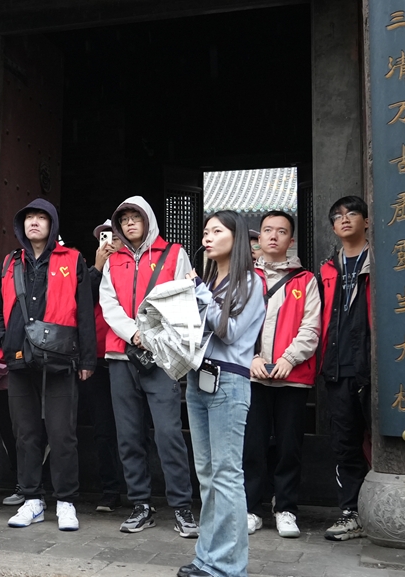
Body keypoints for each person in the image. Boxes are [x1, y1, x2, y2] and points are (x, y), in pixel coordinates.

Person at [0, 198, 96, 531]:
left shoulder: (72, 259)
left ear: (52, 224)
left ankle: (66, 501)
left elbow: (85, 311)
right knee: (26, 433)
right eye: (29, 217)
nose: (34, 222)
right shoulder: (9, 262)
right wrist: (4, 338)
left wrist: (87, 358)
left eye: (41, 218)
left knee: (62, 434)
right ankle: (31, 499)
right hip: (19, 357)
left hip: (61, 357)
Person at [99, 196, 199, 538]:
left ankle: (182, 507)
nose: (129, 223)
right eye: (124, 218)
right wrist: (134, 333)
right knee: (128, 435)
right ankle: (140, 504)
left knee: (169, 433)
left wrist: (153, 335)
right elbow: (108, 304)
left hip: (162, 356)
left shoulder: (174, 254)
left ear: (149, 220)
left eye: (135, 217)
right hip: (120, 354)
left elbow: (185, 299)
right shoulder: (113, 259)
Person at [179, 210, 265, 577]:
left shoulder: (251, 282)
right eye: (205, 232)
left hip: (229, 381)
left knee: (227, 474)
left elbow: (228, 331)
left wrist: (198, 291)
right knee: (206, 474)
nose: (207, 238)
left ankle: (228, 566)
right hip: (197, 378)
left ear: (237, 237)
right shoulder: (213, 281)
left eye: (216, 231)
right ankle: (207, 559)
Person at [245, 211, 320, 539]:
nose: (273, 236)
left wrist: (290, 358)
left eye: (281, 231)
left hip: (293, 377)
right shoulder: (245, 278)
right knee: (252, 445)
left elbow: (312, 327)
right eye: (267, 230)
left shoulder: (306, 280)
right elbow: (235, 324)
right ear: (259, 238)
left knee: (290, 447)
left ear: (291, 240)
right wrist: (250, 357)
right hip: (252, 376)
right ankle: (250, 508)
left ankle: (286, 508)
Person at [317, 195, 371, 541]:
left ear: (367, 221)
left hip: (373, 366)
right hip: (338, 366)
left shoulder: (383, 261)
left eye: (352, 213)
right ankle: (351, 512)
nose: (345, 219)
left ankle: (382, 509)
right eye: (338, 216)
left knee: (381, 440)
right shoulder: (327, 269)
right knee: (345, 443)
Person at [82, 220, 126, 512]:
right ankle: (110, 490)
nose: (110, 243)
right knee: (103, 427)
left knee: (132, 426)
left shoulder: (135, 268)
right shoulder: (91, 271)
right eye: (104, 238)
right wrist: (98, 267)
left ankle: (139, 491)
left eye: (115, 238)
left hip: (129, 354)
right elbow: (80, 301)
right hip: (97, 356)